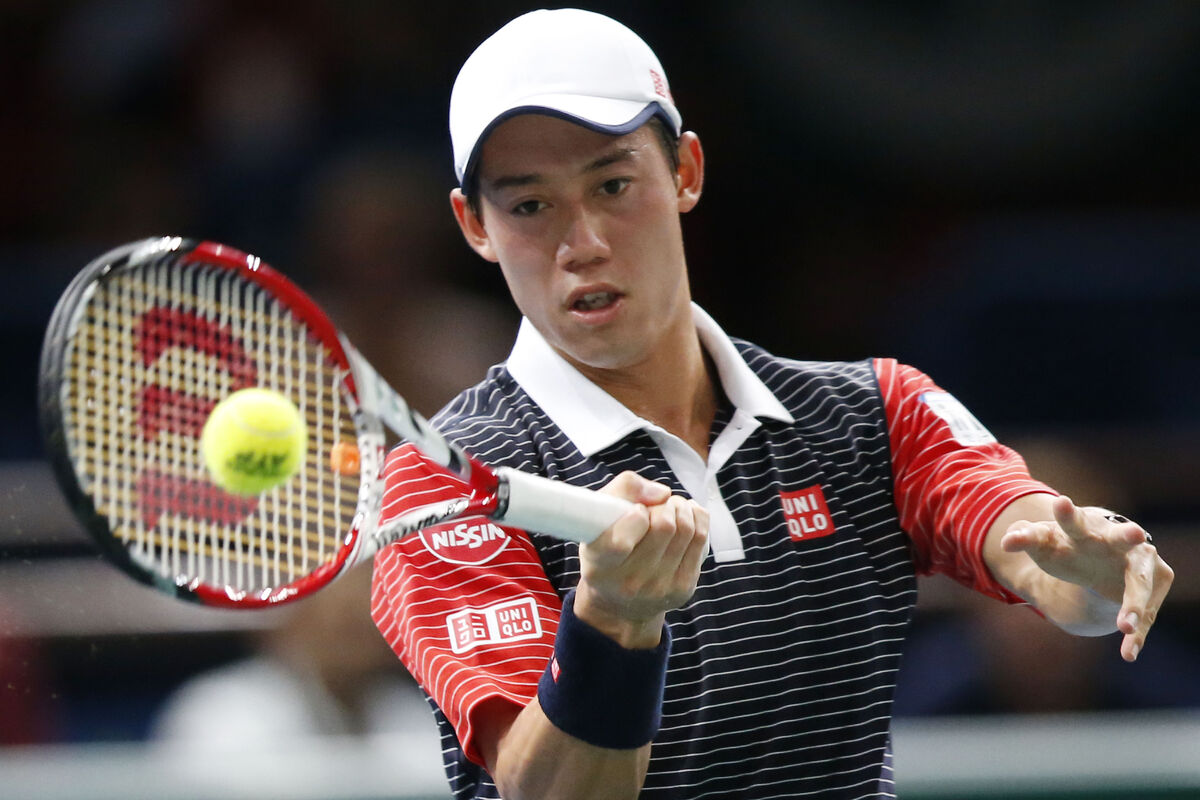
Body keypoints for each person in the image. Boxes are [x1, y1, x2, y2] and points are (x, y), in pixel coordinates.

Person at [369, 9, 1175, 799]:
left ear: (685, 172)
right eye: (529, 206)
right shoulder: (445, 483)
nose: (583, 244)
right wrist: (612, 625)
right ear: (474, 225)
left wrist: (1092, 575)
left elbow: (1034, 546)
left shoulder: (875, 412)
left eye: (613, 185)